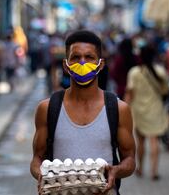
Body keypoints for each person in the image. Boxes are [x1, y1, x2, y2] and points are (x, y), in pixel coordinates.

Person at [30, 30, 136, 195]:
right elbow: (37, 158)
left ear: (100, 64)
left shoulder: (118, 109)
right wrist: (43, 175)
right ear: (66, 65)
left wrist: (115, 171)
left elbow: (130, 159)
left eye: (89, 57)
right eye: (76, 57)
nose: (82, 63)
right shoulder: (48, 108)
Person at [125, 45, 169, 180]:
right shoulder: (160, 71)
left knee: (141, 141)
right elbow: (165, 91)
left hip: (139, 110)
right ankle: (154, 171)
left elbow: (129, 94)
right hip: (155, 110)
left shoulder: (134, 72)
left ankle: (140, 168)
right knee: (154, 140)